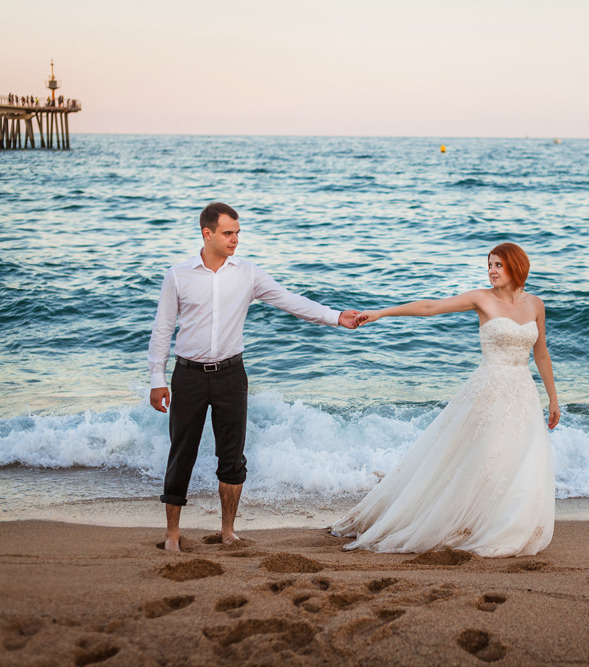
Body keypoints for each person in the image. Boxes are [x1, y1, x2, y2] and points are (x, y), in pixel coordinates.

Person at [148, 202, 360, 552]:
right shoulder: (179, 275)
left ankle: (228, 531)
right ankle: (172, 535)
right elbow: (162, 329)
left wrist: (336, 316)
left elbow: (290, 301)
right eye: (228, 233)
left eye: (237, 233)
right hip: (188, 375)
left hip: (231, 374)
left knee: (232, 455)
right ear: (208, 233)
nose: (235, 239)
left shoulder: (247, 273)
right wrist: (157, 377)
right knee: (181, 453)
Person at [331, 242, 559, 557]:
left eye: (498, 265)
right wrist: (381, 313)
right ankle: (464, 521)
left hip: (522, 391)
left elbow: (541, 352)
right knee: (483, 457)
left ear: (516, 267)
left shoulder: (536, 305)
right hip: (489, 389)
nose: (492, 271)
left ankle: (505, 524)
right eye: (489, 265)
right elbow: (431, 307)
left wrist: (553, 398)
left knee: (520, 459)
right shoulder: (481, 299)